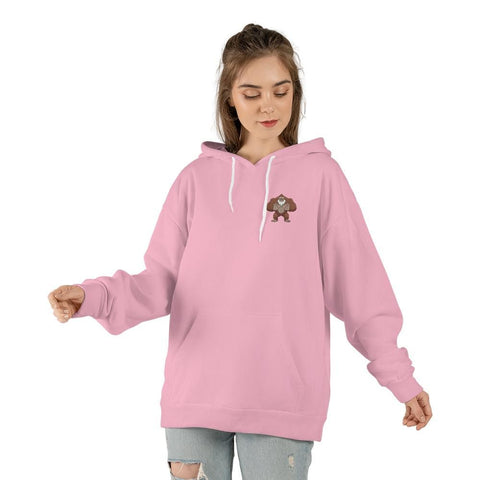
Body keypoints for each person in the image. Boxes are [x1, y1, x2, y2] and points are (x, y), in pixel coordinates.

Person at [48, 23, 432, 480]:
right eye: (252, 93)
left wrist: (400, 378)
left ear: (295, 93)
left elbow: (360, 286)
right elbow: (160, 281)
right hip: (195, 396)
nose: (268, 105)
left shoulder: (321, 177)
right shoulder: (195, 179)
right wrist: (91, 296)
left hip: (283, 400)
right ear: (230, 97)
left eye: (280, 91)